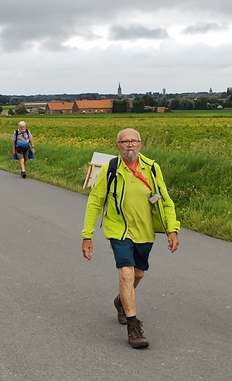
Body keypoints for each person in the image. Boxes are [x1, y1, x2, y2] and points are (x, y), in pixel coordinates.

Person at [81, 128, 180, 349]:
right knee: (126, 274)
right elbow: (95, 202)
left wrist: (172, 229)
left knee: (138, 273)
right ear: (118, 146)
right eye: (125, 142)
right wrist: (87, 235)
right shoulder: (111, 169)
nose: (130, 145)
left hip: (145, 231)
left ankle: (120, 301)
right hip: (119, 230)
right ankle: (133, 326)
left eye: (134, 141)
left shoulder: (153, 169)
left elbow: (165, 201)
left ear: (141, 144)